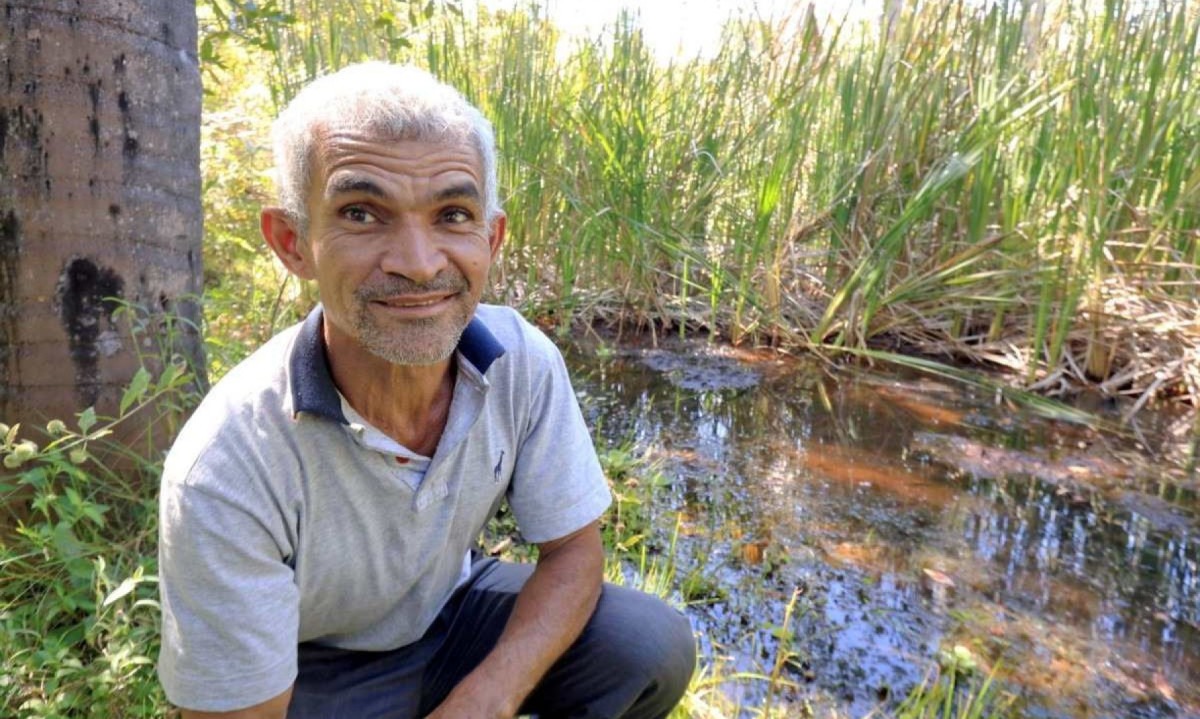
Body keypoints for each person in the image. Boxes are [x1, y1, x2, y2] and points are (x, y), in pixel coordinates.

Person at [156, 62, 696, 719]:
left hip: (449, 616)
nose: (418, 262)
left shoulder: (521, 361)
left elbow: (573, 552)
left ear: (491, 239)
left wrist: (488, 696)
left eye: (452, 214)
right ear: (293, 243)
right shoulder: (227, 464)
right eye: (361, 212)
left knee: (646, 643)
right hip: (312, 668)